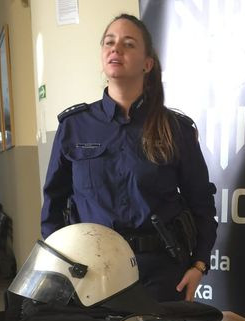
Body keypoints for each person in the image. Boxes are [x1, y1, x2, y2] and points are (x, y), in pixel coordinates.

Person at [41, 13, 217, 302]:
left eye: (128, 44)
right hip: (90, 272)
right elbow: (53, 203)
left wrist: (199, 264)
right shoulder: (74, 126)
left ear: (147, 64)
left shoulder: (175, 129)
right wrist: (61, 265)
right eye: (109, 42)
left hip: (160, 275)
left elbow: (201, 203)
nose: (116, 49)